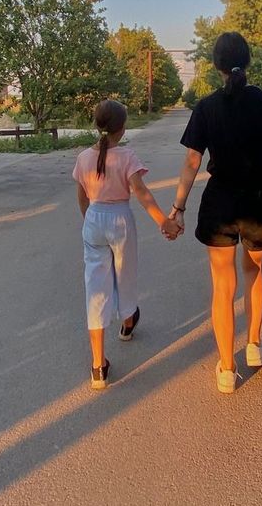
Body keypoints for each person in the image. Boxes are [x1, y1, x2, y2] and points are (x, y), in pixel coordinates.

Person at [170, 32, 262, 393]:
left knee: (223, 286)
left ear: (216, 65)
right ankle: (254, 346)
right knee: (254, 271)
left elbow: (193, 161)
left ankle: (226, 368)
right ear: (248, 61)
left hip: (219, 202)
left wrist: (178, 207)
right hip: (257, 201)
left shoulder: (206, 107)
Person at [73, 99, 181, 390]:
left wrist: (89, 221)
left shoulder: (83, 157)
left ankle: (98, 366)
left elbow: (82, 196)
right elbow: (143, 193)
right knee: (125, 275)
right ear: (122, 128)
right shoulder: (127, 156)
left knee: (95, 287)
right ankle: (128, 321)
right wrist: (165, 222)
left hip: (94, 218)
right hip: (120, 218)